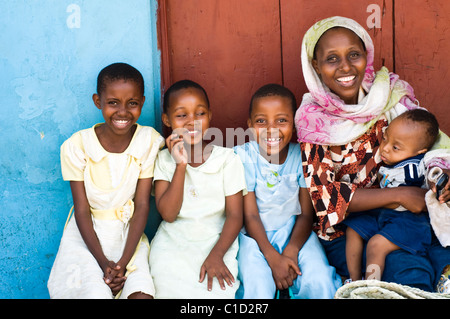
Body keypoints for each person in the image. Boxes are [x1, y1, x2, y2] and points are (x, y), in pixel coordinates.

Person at [294, 16, 450, 292]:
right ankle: (360, 285)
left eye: (354, 54)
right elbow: (325, 197)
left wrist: (444, 176)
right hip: (350, 229)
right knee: (402, 267)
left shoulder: (389, 94)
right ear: (315, 66)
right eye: (332, 59)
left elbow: (433, 143)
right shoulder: (312, 120)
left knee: (430, 259)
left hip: (407, 214)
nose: (345, 67)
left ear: (366, 55)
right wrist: (399, 195)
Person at [48, 62, 164, 299]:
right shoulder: (77, 146)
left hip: (128, 237)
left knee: (142, 294)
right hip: (87, 240)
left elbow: (142, 204)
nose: (123, 112)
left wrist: (122, 262)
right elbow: (81, 210)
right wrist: (103, 262)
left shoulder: (147, 141)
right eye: (113, 103)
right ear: (98, 101)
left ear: (142, 102)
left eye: (132, 103)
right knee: (94, 294)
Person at [233, 84, 341, 299]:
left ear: (295, 122)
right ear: (250, 125)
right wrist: (273, 258)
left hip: (294, 234)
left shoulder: (301, 157)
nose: (271, 129)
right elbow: (251, 215)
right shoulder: (242, 157)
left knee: (319, 279)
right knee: (258, 285)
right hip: (253, 237)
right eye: (261, 121)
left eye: (281, 120)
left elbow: (305, 215)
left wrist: (291, 250)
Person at [148, 80, 247, 298]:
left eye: (199, 113)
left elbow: (235, 215)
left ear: (209, 115)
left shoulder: (227, 159)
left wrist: (217, 254)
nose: (192, 122)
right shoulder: (164, 160)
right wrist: (180, 166)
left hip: (218, 243)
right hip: (172, 246)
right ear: (167, 119)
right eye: (182, 115)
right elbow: (169, 214)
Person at [344, 109, 439, 283]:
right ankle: (354, 280)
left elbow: (436, 168)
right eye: (385, 138)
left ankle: (371, 286)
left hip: (410, 220)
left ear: (420, 151)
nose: (385, 149)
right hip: (384, 213)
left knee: (376, 245)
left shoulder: (417, 165)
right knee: (353, 228)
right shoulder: (393, 160)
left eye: (395, 147)